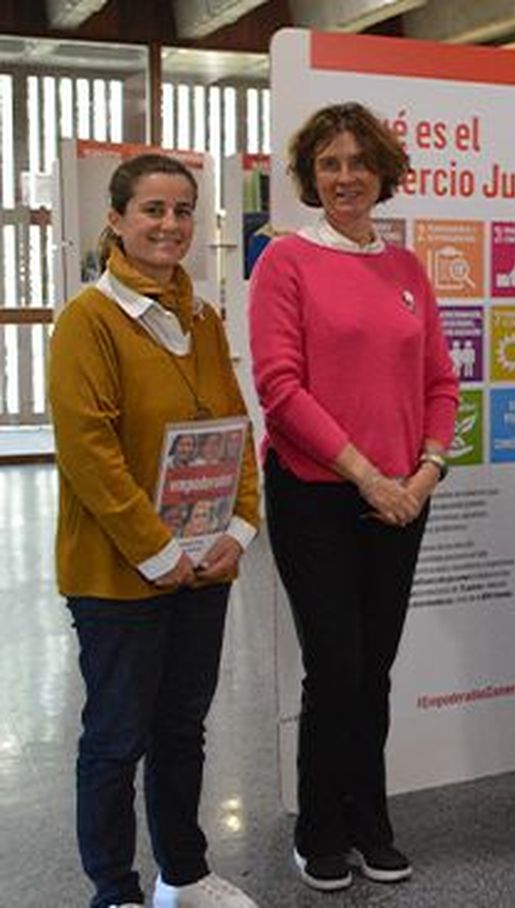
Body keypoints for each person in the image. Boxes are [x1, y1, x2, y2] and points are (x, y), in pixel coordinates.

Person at [250, 102, 459, 891]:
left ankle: (371, 821)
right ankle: (319, 827)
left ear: (383, 174)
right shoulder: (286, 263)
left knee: (375, 668)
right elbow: (279, 388)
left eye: (359, 163)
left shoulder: (406, 269)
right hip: (317, 495)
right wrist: (367, 475)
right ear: (311, 176)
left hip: (406, 495)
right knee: (334, 666)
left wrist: (426, 471)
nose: (346, 177)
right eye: (331, 164)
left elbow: (440, 379)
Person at [49, 153, 260, 908]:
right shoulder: (88, 320)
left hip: (205, 566)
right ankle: (115, 889)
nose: (170, 225)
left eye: (182, 211)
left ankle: (185, 872)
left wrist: (241, 524)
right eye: (152, 210)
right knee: (115, 742)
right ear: (116, 219)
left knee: (182, 732)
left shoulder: (201, 316)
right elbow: (90, 456)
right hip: (118, 575)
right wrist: (159, 550)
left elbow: (233, 425)